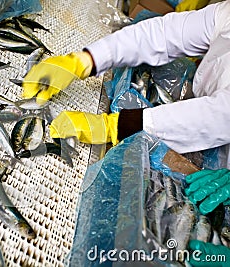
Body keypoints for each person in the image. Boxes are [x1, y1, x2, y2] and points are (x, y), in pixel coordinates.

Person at [22, 0, 230, 265]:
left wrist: (114, 126)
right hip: (201, 129)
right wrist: (86, 60)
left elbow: (218, 115)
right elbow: (165, 34)